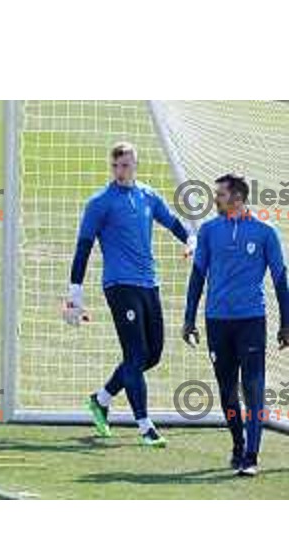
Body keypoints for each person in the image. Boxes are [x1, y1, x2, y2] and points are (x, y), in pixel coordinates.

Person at [64, 142, 192, 446]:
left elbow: (173, 222)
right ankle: (145, 426)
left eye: (126, 165)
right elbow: (84, 246)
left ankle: (101, 398)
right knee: (135, 354)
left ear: (136, 165)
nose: (120, 171)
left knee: (152, 355)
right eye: (116, 166)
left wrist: (191, 240)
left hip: (149, 283)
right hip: (119, 285)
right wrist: (75, 292)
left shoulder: (147, 195)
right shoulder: (100, 202)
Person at [183, 174, 289, 476]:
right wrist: (189, 318)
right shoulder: (208, 231)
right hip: (217, 321)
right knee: (227, 390)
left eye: (220, 195)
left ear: (238, 199)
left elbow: (280, 279)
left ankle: (252, 456)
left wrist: (286, 323)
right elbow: (197, 277)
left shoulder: (265, 232)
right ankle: (238, 444)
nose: (215, 199)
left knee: (253, 388)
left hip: (251, 321)